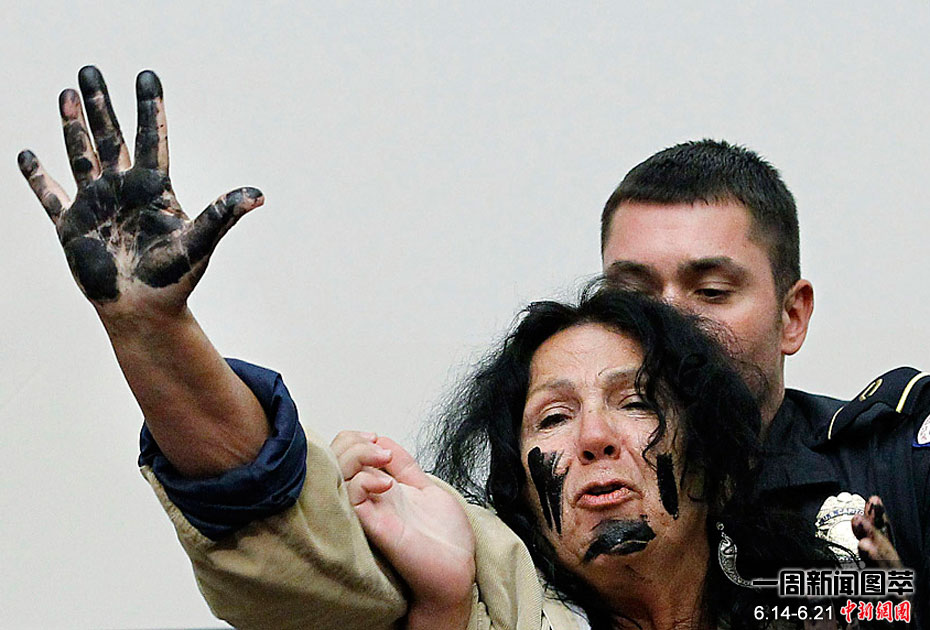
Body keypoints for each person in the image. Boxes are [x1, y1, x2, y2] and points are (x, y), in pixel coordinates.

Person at [597, 140, 928, 624]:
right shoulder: (556, 490)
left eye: (711, 292)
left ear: (791, 316)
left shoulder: (898, 463)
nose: (665, 325)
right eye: (632, 297)